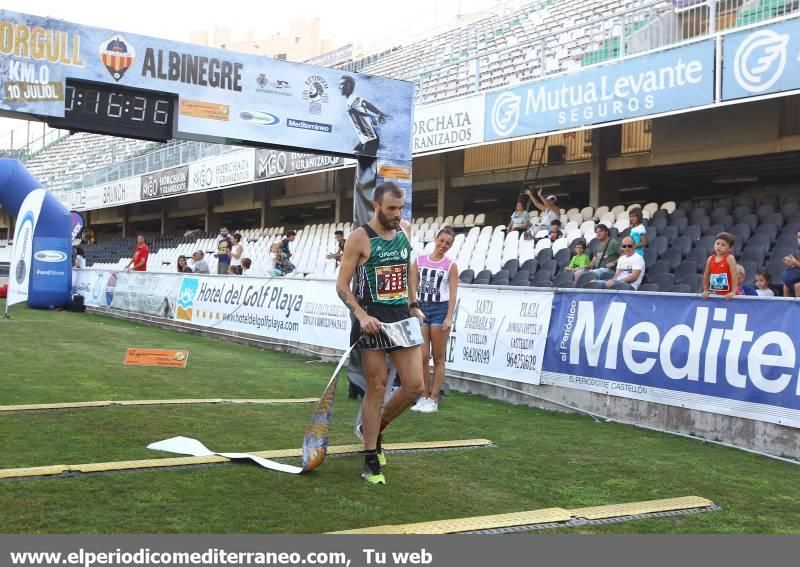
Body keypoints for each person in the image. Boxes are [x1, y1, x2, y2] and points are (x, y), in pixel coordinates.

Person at [336, 181, 425, 485]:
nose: (397, 214)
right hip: (372, 320)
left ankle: (372, 428)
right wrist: (361, 315)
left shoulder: (406, 230)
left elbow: (409, 267)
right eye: (391, 209)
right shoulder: (359, 238)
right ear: (376, 206)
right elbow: (342, 286)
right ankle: (370, 457)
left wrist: (413, 303)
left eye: (400, 208)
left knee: (415, 387)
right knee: (376, 388)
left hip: (401, 317)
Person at [410, 227, 459, 414]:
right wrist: (413, 305)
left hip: (440, 310)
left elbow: (453, 294)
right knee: (422, 356)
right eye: (442, 241)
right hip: (423, 308)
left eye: (448, 243)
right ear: (436, 239)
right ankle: (423, 395)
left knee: (438, 357)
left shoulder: (451, 265)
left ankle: (434, 398)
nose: (443, 245)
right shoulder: (420, 260)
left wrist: (449, 316)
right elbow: (413, 283)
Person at [339, 75, 388, 156]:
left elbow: (366, 104)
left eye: (343, 84)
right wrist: (371, 116)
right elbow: (359, 113)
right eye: (339, 84)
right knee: (354, 154)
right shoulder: (349, 101)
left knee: (366, 165)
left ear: (350, 86)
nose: (340, 87)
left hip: (370, 140)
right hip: (365, 139)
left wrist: (378, 113)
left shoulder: (353, 98)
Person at [702, 232, 737, 300]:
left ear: (729, 248)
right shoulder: (710, 259)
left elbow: (734, 276)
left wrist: (733, 292)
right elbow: (706, 275)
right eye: (717, 243)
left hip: (729, 296)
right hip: (716, 295)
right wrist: (705, 290)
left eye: (723, 245)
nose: (719, 246)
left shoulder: (730, 258)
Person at [781, 229, 800, 297]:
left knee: (798, 286)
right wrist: (789, 263)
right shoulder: (797, 252)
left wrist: (795, 262)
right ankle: (786, 307)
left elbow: (797, 264)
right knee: (785, 287)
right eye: (799, 237)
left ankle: (798, 307)